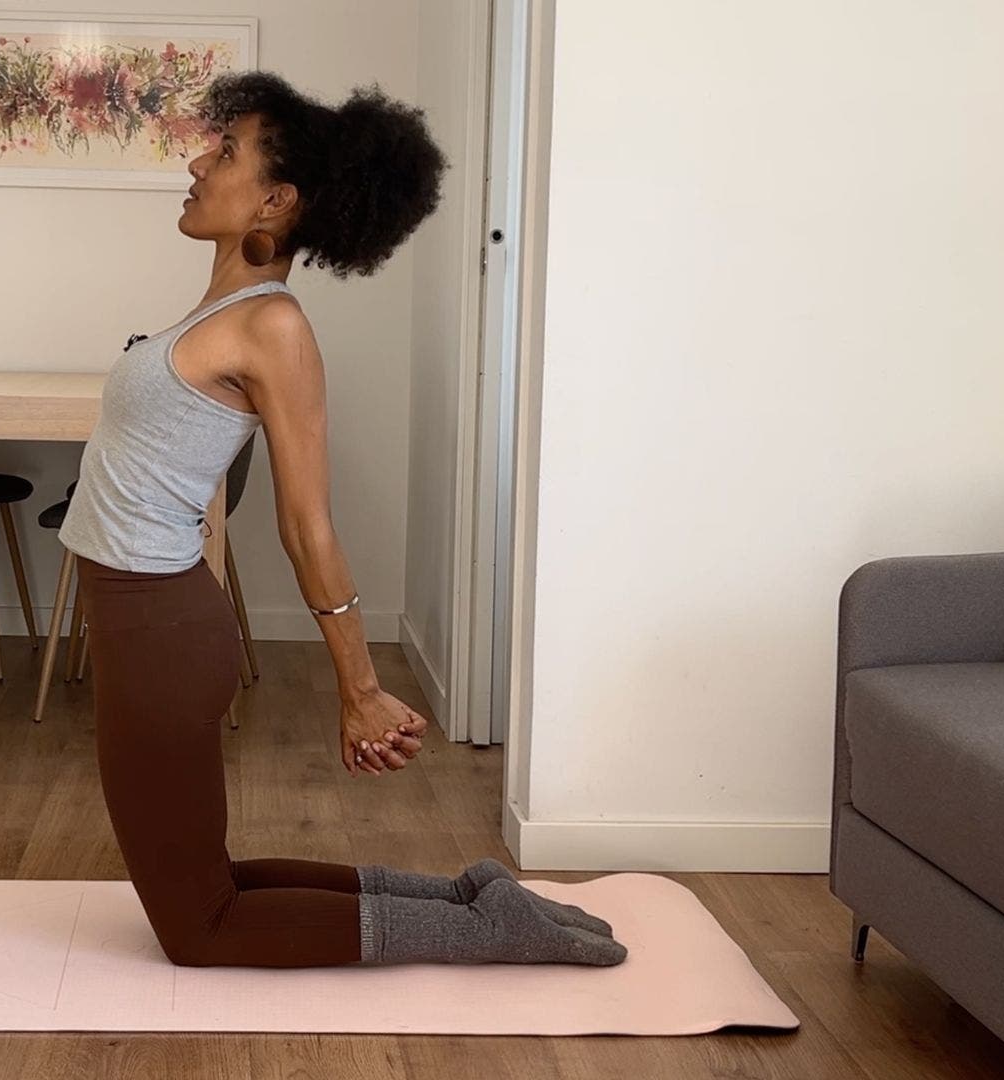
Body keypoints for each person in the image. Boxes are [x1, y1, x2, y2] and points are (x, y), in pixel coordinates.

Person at [57, 71, 626, 969]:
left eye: (228, 150)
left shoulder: (271, 325)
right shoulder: (219, 313)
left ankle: (480, 936)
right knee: (212, 879)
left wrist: (358, 690)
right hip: (147, 623)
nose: (198, 159)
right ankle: (469, 896)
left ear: (277, 200)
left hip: (158, 629)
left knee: (198, 931)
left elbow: (306, 524)